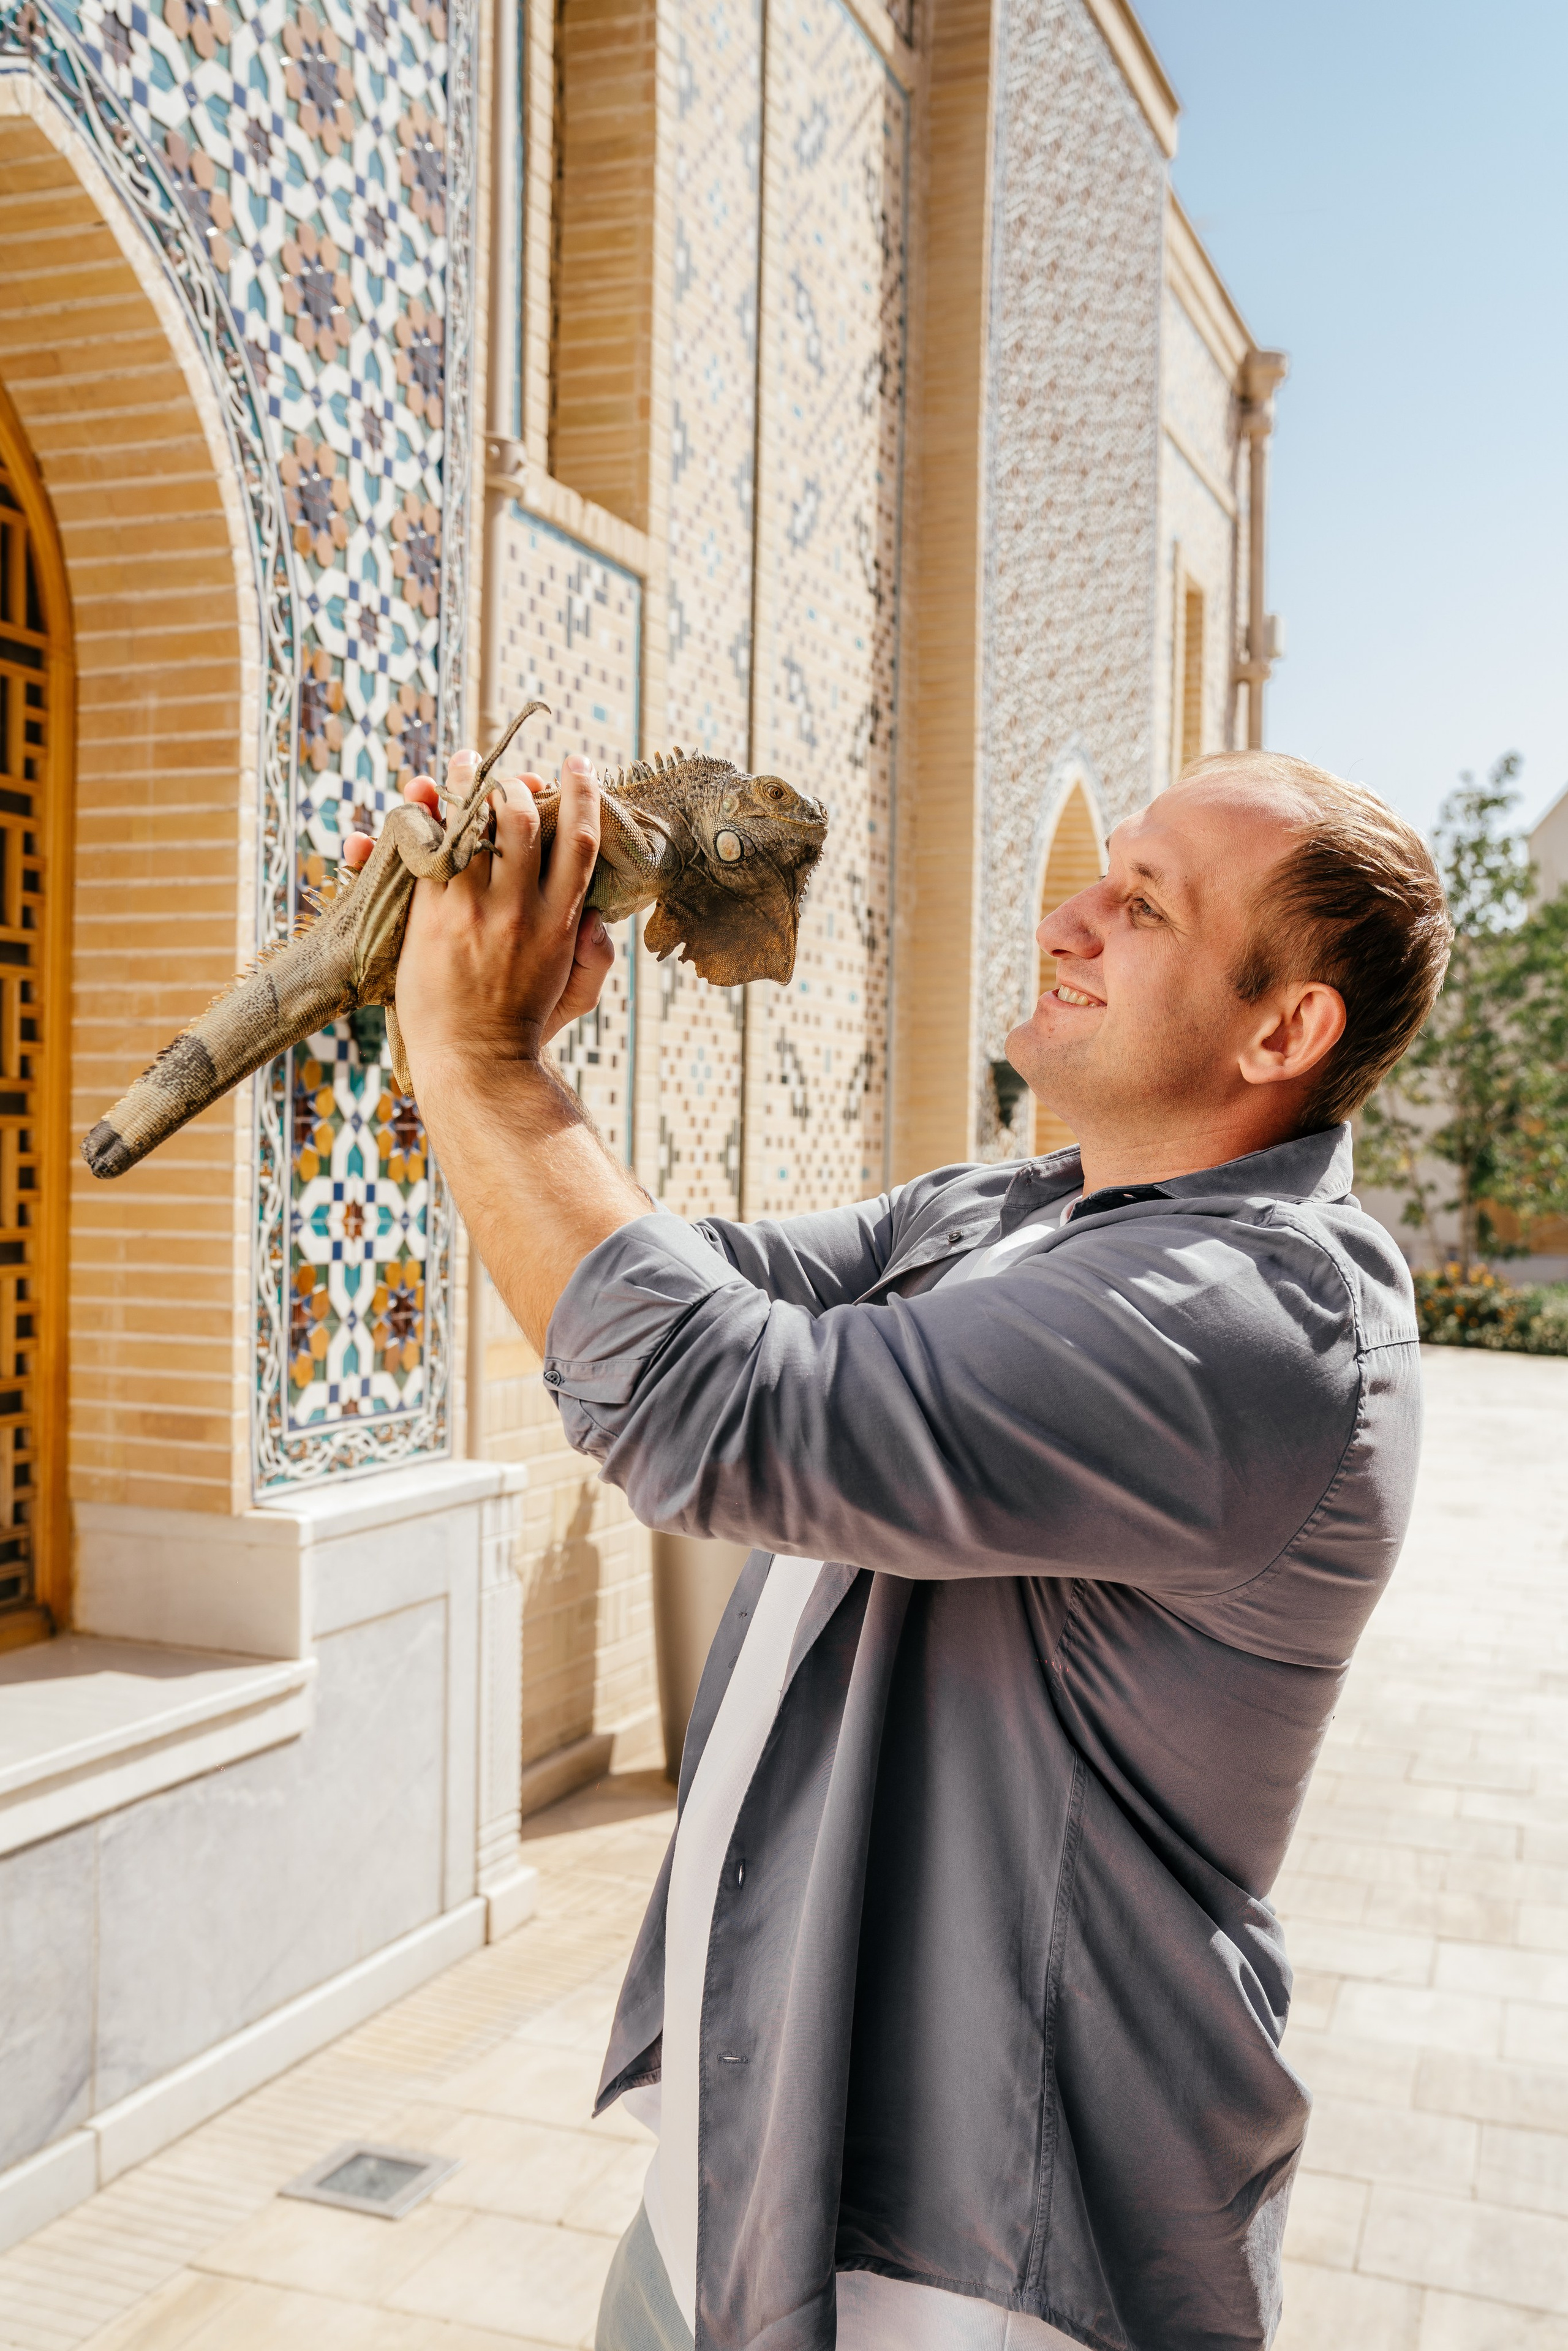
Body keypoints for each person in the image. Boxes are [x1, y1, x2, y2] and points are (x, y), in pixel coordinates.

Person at [360, 745, 1451, 2351]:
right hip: (752, 2176)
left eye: (1140, 905)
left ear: (1284, 1030)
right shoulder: (1013, 1212)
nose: (1066, 921)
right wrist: (484, 1001)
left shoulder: (1255, 1321)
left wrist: (483, 1054)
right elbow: (671, 1284)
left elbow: (705, 1402)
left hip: (986, 2247)